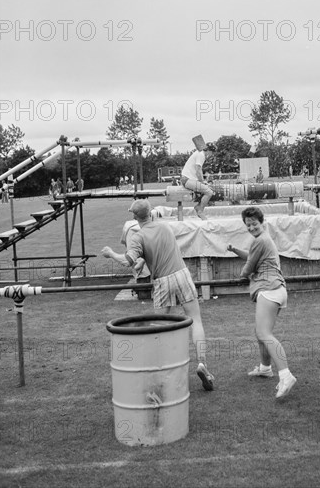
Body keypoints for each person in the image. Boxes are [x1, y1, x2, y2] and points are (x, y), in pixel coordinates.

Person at [101, 199, 214, 391]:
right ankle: (202, 363)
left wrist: (111, 253)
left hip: (162, 282)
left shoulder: (138, 236)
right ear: (151, 212)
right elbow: (156, 251)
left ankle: (162, 373)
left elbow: (126, 261)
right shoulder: (165, 227)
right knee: (196, 320)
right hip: (181, 274)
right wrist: (143, 261)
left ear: (134, 216)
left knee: (158, 330)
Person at [227, 207, 297, 399]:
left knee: (264, 333)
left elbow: (249, 266)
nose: (251, 228)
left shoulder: (260, 240)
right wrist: (234, 250)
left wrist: (241, 276)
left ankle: (286, 375)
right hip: (277, 289)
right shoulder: (262, 240)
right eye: (248, 225)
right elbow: (251, 258)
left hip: (269, 289)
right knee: (261, 333)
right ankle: (266, 368)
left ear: (262, 222)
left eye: (254, 224)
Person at [180, 144, 216, 220]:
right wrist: (202, 182)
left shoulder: (198, 153)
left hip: (187, 179)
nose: (211, 155)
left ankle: (198, 207)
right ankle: (200, 210)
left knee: (205, 189)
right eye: (212, 153)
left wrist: (202, 182)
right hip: (187, 180)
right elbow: (198, 170)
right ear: (209, 151)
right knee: (209, 192)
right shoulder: (201, 155)